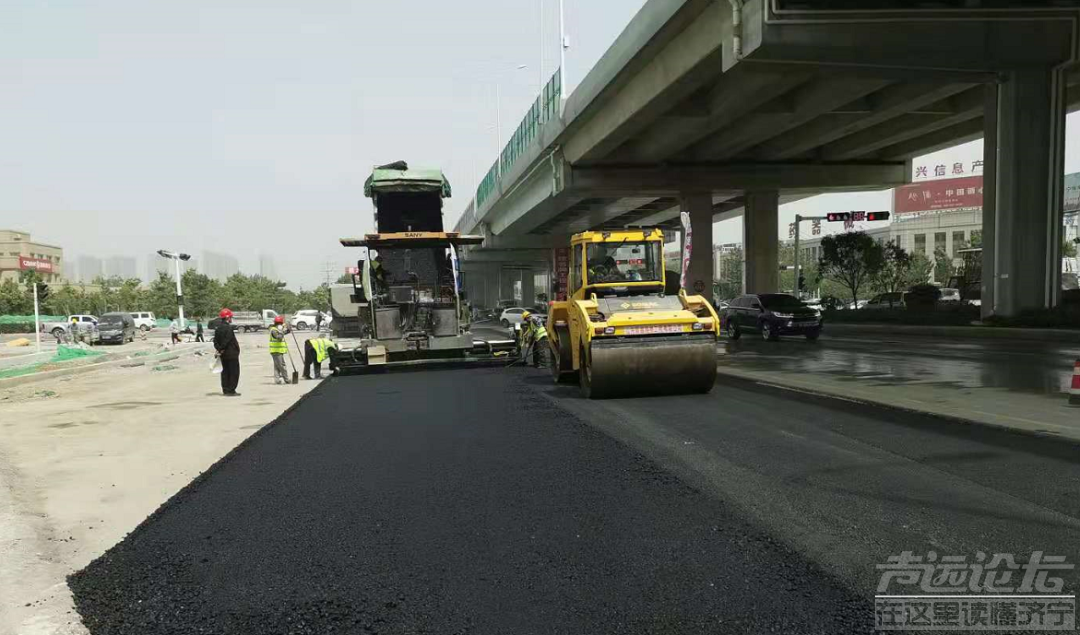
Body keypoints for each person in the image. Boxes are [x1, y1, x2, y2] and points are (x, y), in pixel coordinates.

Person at [213, 308, 241, 396]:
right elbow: (227, 340)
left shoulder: (218, 329)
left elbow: (215, 341)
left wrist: (219, 350)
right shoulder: (228, 328)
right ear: (228, 318)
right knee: (233, 372)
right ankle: (231, 390)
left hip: (223, 355)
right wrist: (222, 348)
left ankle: (225, 390)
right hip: (231, 354)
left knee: (224, 372)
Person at [268, 315, 291, 385]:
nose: (280, 325)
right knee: (282, 365)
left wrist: (288, 329)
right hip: (276, 351)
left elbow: (284, 333)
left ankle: (277, 380)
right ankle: (286, 379)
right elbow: (279, 337)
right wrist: (282, 331)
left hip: (279, 351)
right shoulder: (274, 330)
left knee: (277, 366)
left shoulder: (277, 329)